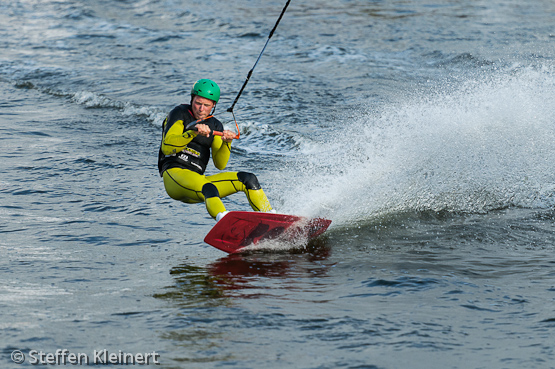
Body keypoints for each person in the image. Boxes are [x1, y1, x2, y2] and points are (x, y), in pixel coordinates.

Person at [158, 78, 274, 221]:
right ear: (192, 99)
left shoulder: (215, 125)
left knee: (248, 179)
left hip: (198, 181)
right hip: (174, 176)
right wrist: (192, 132)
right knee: (209, 187)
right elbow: (168, 147)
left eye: (206, 105)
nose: (201, 109)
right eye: (198, 103)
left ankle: (273, 219)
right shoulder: (179, 113)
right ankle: (226, 223)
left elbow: (220, 164)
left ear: (213, 105)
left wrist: (227, 143)